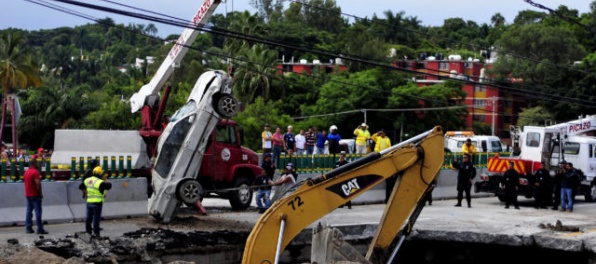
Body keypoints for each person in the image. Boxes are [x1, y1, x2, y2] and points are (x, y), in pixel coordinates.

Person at [79, 166, 112, 237]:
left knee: (88, 218)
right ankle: (96, 234)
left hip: (89, 202)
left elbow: (81, 187)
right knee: (96, 219)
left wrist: (85, 193)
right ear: (100, 174)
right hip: (97, 203)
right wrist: (106, 179)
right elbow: (109, 186)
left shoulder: (88, 180)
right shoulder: (100, 182)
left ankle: (88, 233)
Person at [24, 158, 48, 234]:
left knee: (29, 212)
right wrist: (40, 193)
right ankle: (40, 229)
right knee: (38, 212)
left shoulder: (26, 172)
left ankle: (28, 228)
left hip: (28, 194)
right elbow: (38, 183)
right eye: (37, 163)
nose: (38, 165)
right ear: (34, 164)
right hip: (35, 195)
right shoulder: (35, 172)